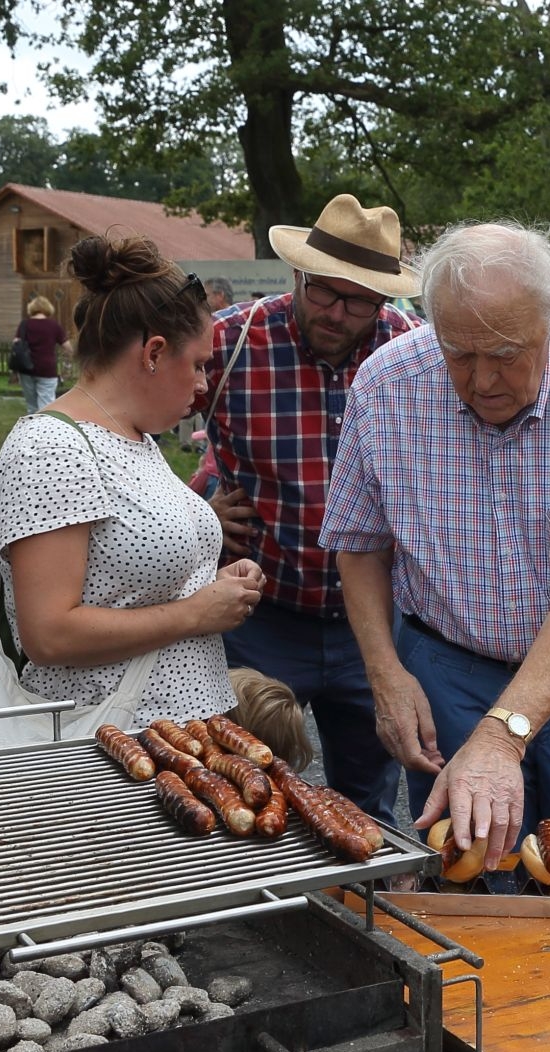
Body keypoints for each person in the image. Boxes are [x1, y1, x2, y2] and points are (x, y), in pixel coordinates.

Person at [0, 233, 260, 1052]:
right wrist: (199, 612)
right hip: (95, 749)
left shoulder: (137, 440)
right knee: (85, 962)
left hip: (171, 740)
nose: (203, 386)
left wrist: (214, 591)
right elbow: (51, 630)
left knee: (160, 954)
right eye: (196, 365)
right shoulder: (51, 448)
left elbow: (136, 574)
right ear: (150, 352)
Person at [323, 220, 550, 861]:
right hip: (447, 672)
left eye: (506, 353)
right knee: (470, 872)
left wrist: (503, 733)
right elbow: (361, 543)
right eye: (458, 353)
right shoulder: (385, 385)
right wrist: (385, 673)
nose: (482, 380)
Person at [201, 194, 422, 822]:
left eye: (358, 301)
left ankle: (357, 884)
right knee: (242, 784)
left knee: (366, 802)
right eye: (323, 291)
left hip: (373, 622)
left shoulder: (413, 354)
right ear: (298, 273)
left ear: (382, 299)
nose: (336, 312)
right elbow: (130, 422)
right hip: (261, 614)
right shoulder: (231, 342)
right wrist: (196, 512)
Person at [14, 294, 70, 415]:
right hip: (47, 369)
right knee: (47, 404)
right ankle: (46, 425)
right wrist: (67, 363)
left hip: (26, 368)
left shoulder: (25, 324)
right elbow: (67, 347)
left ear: (32, 308)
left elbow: (16, 343)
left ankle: (32, 425)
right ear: (48, 308)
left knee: (31, 406)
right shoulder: (54, 325)